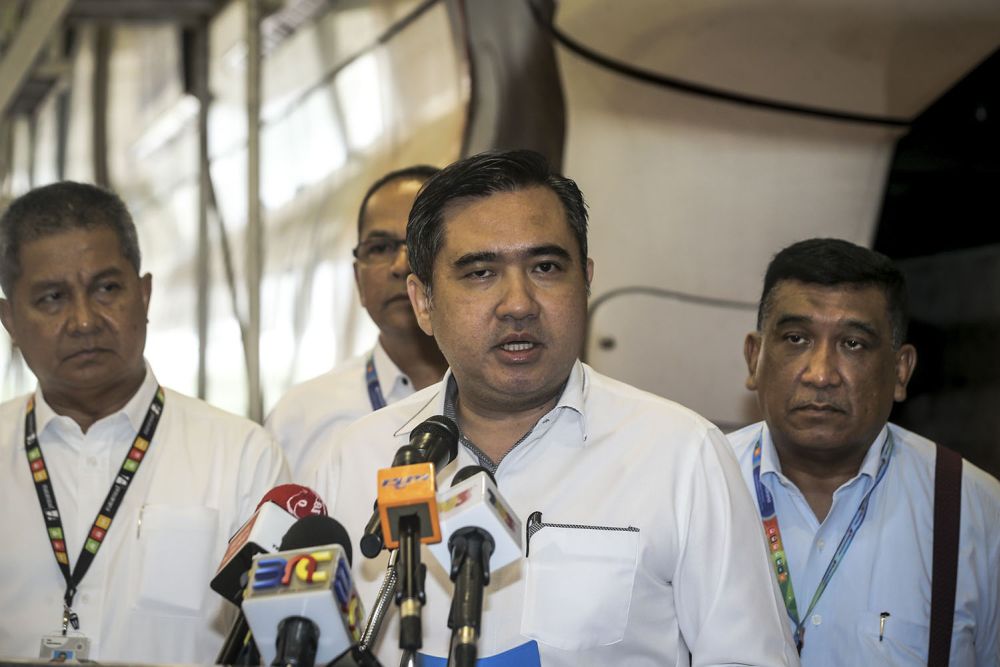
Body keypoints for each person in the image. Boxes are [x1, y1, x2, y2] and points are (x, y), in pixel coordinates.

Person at [315, 150, 798, 666]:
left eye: (545, 267)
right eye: (480, 273)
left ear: (585, 281)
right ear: (424, 303)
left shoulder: (681, 455)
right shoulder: (356, 458)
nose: (519, 303)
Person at [0, 182, 289, 663]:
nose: (85, 320)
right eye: (52, 298)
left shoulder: (242, 457)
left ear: (145, 294)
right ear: (9, 320)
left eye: (107, 288)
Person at [729, 238, 1000, 666]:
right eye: (796, 338)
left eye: (853, 343)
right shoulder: (697, 486)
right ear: (754, 357)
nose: (820, 375)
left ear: (900, 370)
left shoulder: (976, 514)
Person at [267, 166, 448, 480]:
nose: (401, 265)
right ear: (357, 278)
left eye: (418, 242)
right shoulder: (299, 419)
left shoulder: (511, 397)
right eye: (379, 248)